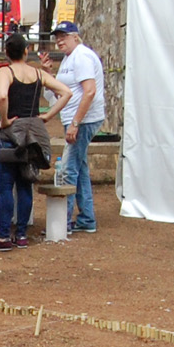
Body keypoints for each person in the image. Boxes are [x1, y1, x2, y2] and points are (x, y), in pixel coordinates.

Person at [0, 35, 70, 250]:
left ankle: (3, 236)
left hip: (12, 133)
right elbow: (66, 92)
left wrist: (4, 120)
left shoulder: (6, 72)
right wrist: (48, 115)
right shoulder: (38, 74)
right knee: (25, 184)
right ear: (26, 51)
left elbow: (3, 97)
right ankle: (21, 234)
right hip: (33, 132)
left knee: (5, 186)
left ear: (7, 53)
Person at [50, 20, 106, 233]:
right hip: (75, 119)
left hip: (83, 120)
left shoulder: (81, 56)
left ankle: (62, 222)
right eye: (57, 36)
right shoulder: (69, 58)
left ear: (75, 36)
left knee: (68, 169)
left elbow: (89, 91)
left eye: (64, 35)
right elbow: (61, 91)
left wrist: (76, 122)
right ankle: (87, 219)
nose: (59, 40)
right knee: (80, 168)